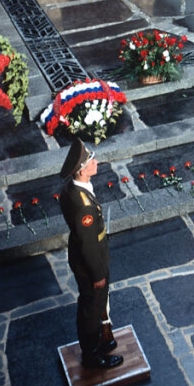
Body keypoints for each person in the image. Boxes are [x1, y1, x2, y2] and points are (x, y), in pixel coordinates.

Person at [58, 138, 122, 370]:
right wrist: (97, 274)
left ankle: (99, 343)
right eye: (91, 160)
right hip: (91, 262)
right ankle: (92, 356)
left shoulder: (72, 189)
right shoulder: (83, 205)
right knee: (91, 309)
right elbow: (88, 245)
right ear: (81, 170)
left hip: (87, 252)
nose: (96, 162)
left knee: (96, 304)